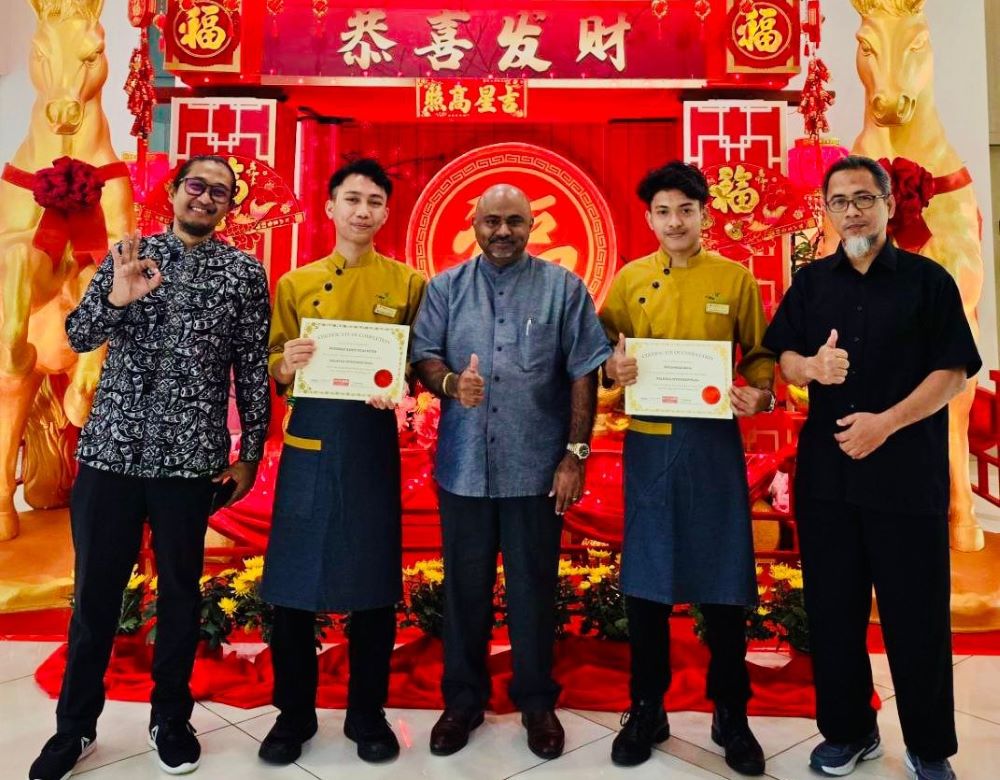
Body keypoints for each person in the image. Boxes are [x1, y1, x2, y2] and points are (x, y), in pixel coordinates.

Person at [29, 155, 271, 780]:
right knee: (94, 597)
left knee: (181, 596)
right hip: (111, 453)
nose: (206, 198)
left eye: (221, 192)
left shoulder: (243, 273)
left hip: (189, 463)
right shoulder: (129, 256)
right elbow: (79, 336)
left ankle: (171, 720)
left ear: (229, 206)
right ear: (174, 191)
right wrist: (117, 295)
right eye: (197, 185)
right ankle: (75, 728)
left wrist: (249, 454)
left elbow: (251, 368)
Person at [763, 155, 979, 780]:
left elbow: (953, 372)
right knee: (833, 613)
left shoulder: (928, 281)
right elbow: (783, 356)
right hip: (828, 482)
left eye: (863, 198)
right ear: (826, 211)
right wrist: (810, 368)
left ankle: (929, 746)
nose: (852, 211)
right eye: (839, 201)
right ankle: (849, 732)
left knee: (917, 616)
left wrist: (885, 423)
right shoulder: (811, 283)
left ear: (888, 204)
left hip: (905, 477)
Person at [410, 183, 610, 760]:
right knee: (464, 590)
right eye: (492, 221)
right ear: (474, 225)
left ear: (531, 226)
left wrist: (575, 455)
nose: (503, 231)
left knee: (533, 589)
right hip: (464, 467)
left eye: (514, 221)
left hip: (537, 468)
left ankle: (537, 702)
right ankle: (463, 701)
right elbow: (424, 356)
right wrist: (451, 383)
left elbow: (583, 371)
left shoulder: (563, 288)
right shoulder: (446, 288)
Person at [599, 161, 774, 775]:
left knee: (724, 583)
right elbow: (602, 352)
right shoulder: (629, 280)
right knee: (646, 584)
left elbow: (760, 354)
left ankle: (732, 713)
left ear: (704, 215)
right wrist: (612, 370)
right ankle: (647, 708)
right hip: (649, 447)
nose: (675, 222)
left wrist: (760, 393)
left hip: (712, 447)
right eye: (663, 212)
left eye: (686, 210)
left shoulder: (735, 278)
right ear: (648, 218)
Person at [257, 159, 425, 766]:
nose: (362, 210)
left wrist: (400, 384)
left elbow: (415, 363)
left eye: (374, 201)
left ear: (386, 213)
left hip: (370, 442)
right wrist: (287, 363)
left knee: (373, 583)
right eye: (352, 199)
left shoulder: (407, 283)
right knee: (293, 586)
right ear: (330, 207)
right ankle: (293, 714)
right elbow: (271, 363)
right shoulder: (295, 283)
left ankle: (366, 712)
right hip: (309, 443)